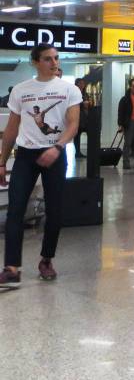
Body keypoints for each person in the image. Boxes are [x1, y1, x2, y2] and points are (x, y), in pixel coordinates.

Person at [0, 44, 81, 288]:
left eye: (56, 58)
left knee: (55, 212)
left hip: (54, 156)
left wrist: (57, 147)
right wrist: (2, 162)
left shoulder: (70, 89)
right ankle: (11, 268)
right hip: (26, 156)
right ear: (35, 62)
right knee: (15, 210)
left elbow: (73, 124)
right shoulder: (21, 91)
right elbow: (12, 129)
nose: (54, 63)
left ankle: (46, 260)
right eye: (48, 59)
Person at [73, 78, 92, 159]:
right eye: (80, 83)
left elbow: (89, 104)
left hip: (86, 118)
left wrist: (89, 103)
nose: (82, 85)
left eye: (83, 83)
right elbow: (73, 104)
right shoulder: (73, 93)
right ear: (76, 84)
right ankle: (77, 152)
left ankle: (91, 151)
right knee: (77, 136)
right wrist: (82, 104)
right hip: (77, 117)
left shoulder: (85, 94)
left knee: (90, 134)